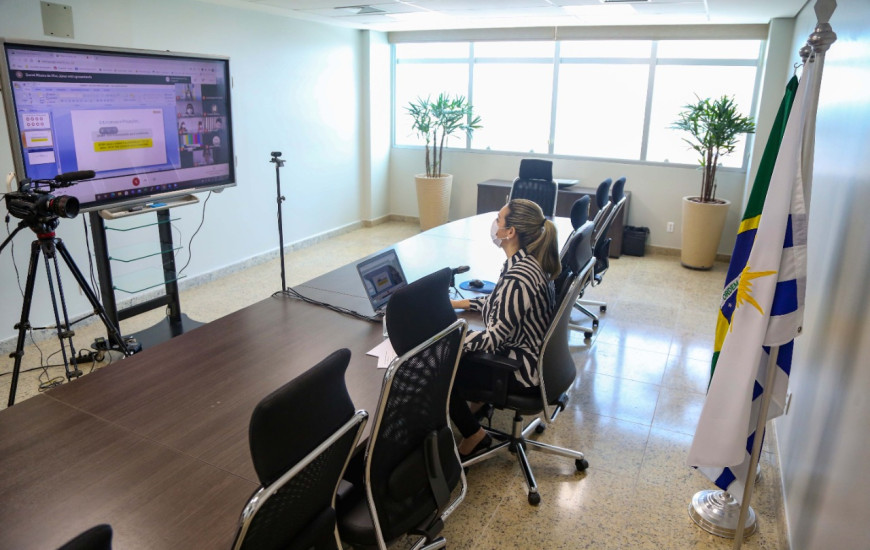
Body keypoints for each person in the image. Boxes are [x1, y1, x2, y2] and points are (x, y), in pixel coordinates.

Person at [449, 198, 561, 458]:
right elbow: (500, 303)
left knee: (441, 367)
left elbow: (493, 339)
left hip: (521, 372)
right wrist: (458, 303)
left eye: (498, 219)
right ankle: (479, 404)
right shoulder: (529, 263)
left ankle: (473, 434)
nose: (494, 224)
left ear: (510, 232)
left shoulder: (518, 278)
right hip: (537, 359)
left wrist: (448, 341)